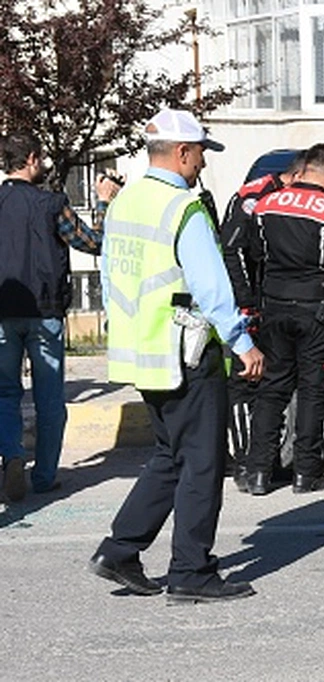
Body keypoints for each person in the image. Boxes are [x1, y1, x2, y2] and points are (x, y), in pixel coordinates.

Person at [89, 108, 263, 603]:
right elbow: (212, 286)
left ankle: (121, 549)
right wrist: (242, 342)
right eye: (201, 153)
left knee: (171, 455)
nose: (203, 164)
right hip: (186, 352)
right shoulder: (181, 207)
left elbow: (110, 279)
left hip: (144, 351)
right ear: (183, 152)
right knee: (203, 462)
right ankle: (192, 572)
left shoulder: (123, 204)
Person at [0, 133, 118, 501]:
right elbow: (94, 242)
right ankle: (45, 474)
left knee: (4, 392)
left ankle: (13, 455)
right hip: (46, 312)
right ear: (32, 159)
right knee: (49, 398)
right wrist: (103, 202)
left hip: (3, 313)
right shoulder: (53, 203)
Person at [243, 144, 324, 495]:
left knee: (272, 388)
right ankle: (305, 474)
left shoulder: (266, 204)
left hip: (274, 307)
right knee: (312, 391)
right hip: (317, 311)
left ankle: (258, 473)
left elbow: (253, 253)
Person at [220, 153, 306, 485]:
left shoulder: (274, 193)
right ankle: (245, 463)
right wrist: (248, 302)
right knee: (246, 382)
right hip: (248, 304)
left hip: (271, 302)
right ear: (295, 177)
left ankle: (263, 461)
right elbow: (233, 249)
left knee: (269, 381)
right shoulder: (256, 197)